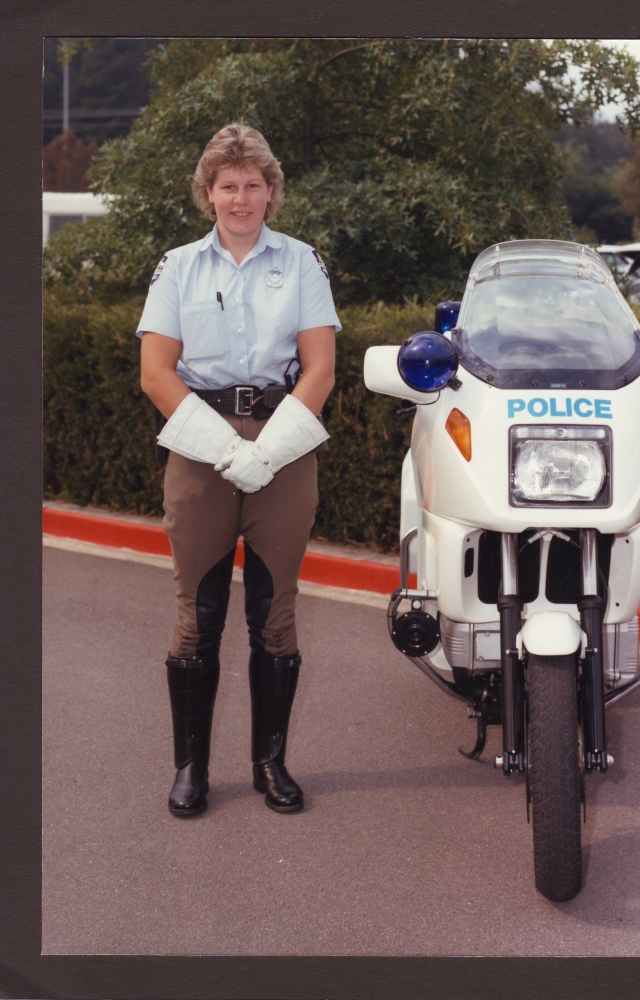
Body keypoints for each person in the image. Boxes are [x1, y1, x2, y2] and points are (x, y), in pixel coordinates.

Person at [137, 123, 339, 818]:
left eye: (254, 184)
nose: (241, 197)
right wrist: (228, 452)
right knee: (197, 614)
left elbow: (319, 367)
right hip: (200, 444)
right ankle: (190, 769)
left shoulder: (303, 264)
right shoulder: (178, 267)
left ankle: (269, 765)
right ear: (208, 193)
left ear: (271, 192)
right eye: (228, 185)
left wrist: (267, 450)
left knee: (274, 615)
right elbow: (156, 374)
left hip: (284, 444)